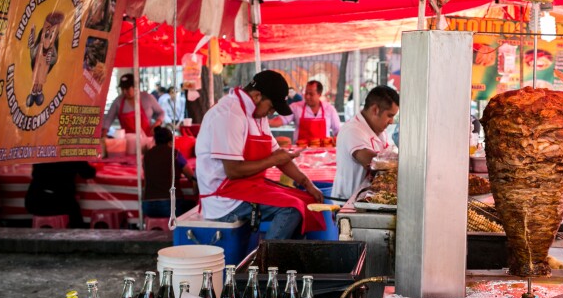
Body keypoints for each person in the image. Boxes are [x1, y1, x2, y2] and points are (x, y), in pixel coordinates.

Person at [195, 70, 325, 240]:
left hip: (248, 187)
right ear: (256, 96)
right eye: (271, 107)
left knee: (306, 201)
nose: (271, 113)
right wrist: (272, 160)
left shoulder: (257, 113)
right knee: (292, 208)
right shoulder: (229, 114)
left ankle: (286, 261)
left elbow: (278, 155)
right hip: (223, 198)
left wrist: (307, 184)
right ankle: (264, 262)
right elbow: (233, 171)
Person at [332, 86, 399, 200]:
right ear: (375, 110)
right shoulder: (353, 130)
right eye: (389, 116)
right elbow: (370, 160)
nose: (392, 121)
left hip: (365, 197)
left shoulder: (379, 131)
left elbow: (386, 155)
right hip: (347, 201)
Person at [143, 126, 197, 219]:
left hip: (147, 205)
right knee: (193, 206)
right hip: (169, 205)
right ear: (171, 141)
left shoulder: (146, 156)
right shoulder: (175, 154)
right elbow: (191, 176)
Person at [25, 161, 97, 228]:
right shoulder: (71, 153)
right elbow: (88, 173)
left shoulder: (43, 151)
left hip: (34, 201)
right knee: (75, 215)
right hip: (60, 202)